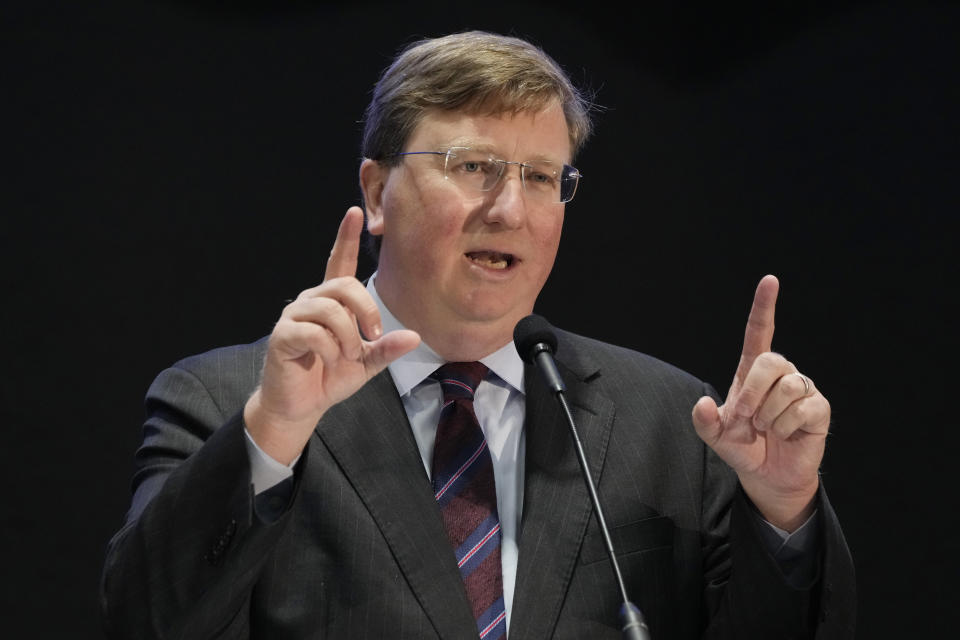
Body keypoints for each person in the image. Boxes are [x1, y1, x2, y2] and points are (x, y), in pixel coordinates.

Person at [100, 31, 855, 639]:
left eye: (540, 177)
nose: (510, 210)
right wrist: (277, 430)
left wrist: (784, 508)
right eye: (474, 167)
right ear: (376, 192)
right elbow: (146, 621)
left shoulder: (671, 420)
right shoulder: (229, 400)